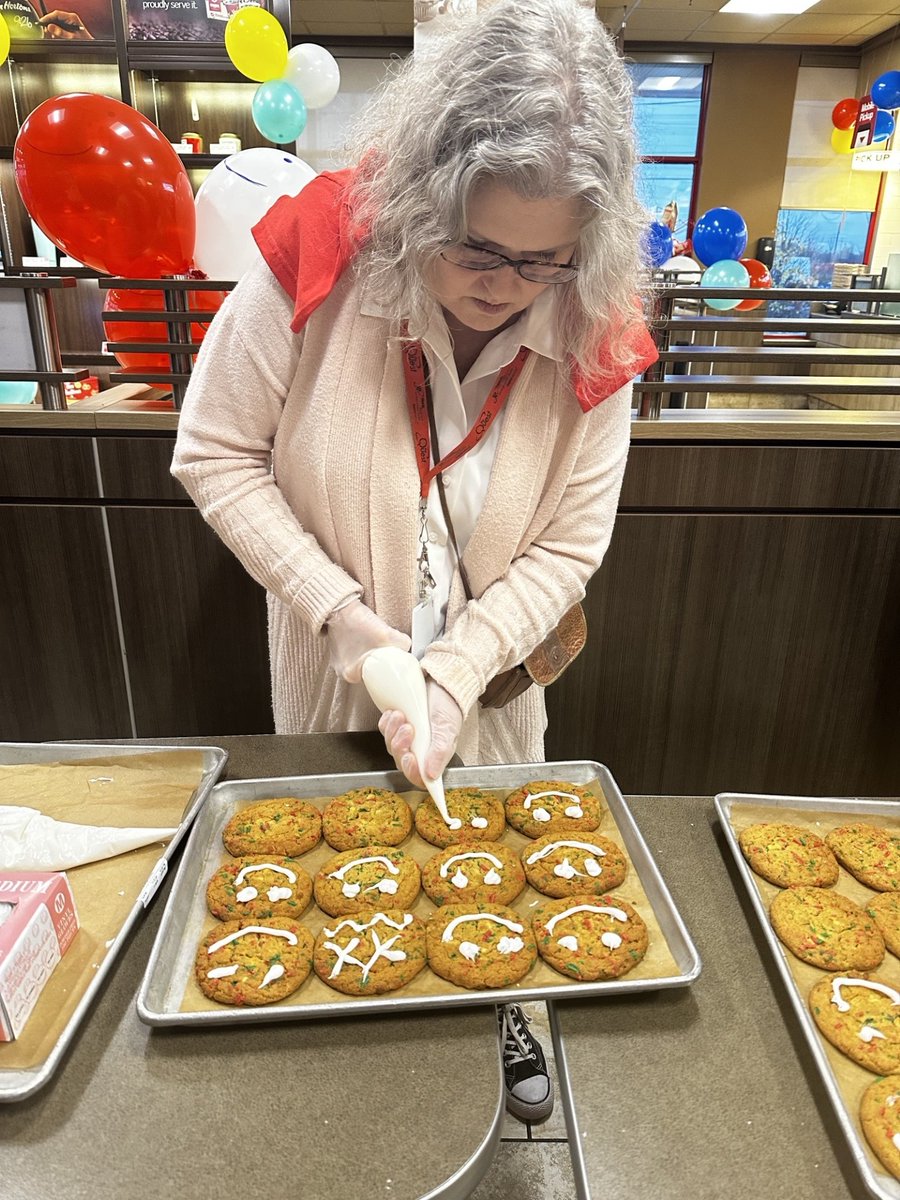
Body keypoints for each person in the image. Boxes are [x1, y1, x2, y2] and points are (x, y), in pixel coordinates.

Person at [172, 0, 656, 1124]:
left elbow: (572, 546)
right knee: (342, 908)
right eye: (473, 246)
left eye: (541, 260)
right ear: (415, 199)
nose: (502, 283)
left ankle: (505, 1030)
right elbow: (215, 455)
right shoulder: (319, 252)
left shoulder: (597, 326)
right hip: (334, 678)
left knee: (496, 894)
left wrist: (456, 669)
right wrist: (344, 618)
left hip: (493, 699)